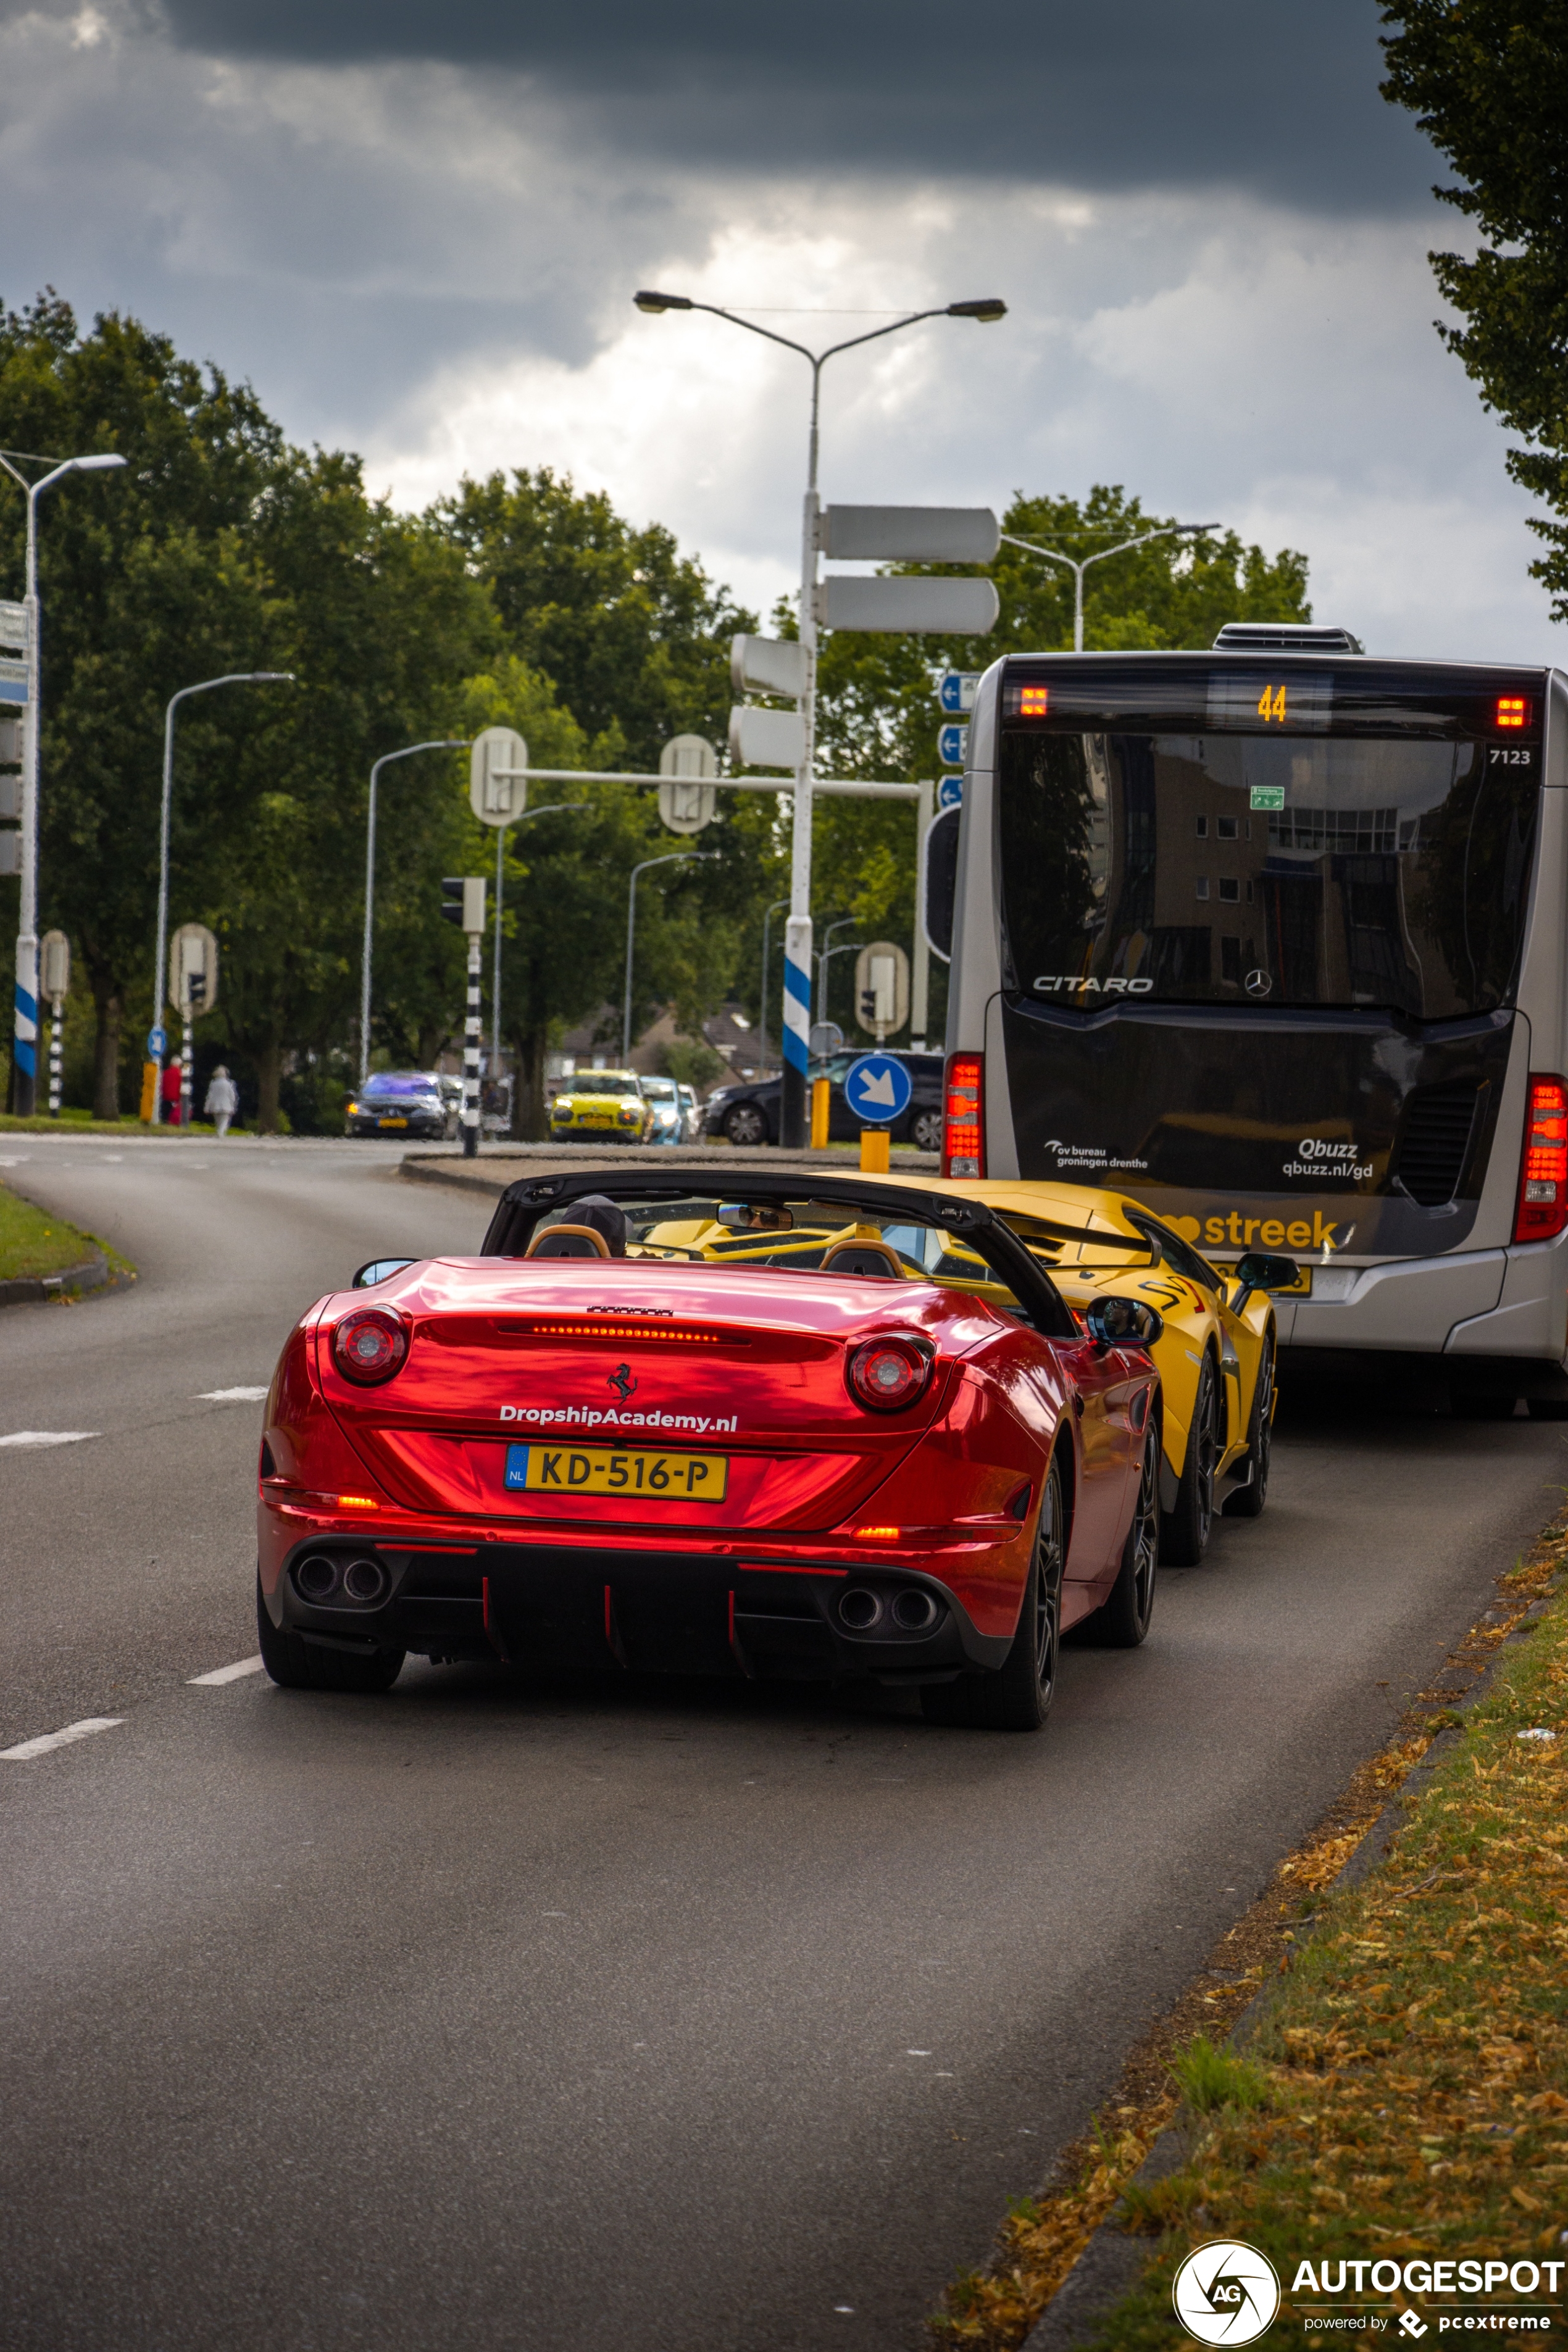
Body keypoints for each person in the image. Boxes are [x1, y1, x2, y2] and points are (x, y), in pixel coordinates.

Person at [204, 1065, 238, 1138]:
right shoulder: (229, 1084)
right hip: (226, 1106)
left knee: (218, 1122)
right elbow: (232, 1096)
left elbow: (210, 1096)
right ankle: (221, 1133)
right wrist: (233, 1106)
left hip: (215, 1106)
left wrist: (207, 1107)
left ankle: (219, 1133)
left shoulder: (213, 1084)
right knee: (225, 1121)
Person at [160, 1059, 183, 1127]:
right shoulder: (180, 1073)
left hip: (165, 1096)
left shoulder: (165, 1072)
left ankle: (164, 1126)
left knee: (165, 1115)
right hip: (175, 1098)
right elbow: (181, 1086)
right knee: (174, 1115)